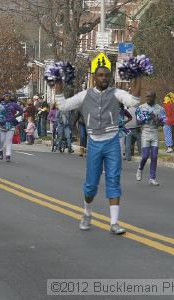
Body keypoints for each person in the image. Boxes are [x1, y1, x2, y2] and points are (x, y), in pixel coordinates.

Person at [53, 66, 141, 235]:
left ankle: (114, 223)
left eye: (107, 76)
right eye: (100, 75)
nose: (104, 78)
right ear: (94, 78)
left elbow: (134, 101)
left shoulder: (116, 93)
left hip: (112, 142)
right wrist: (58, 81)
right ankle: (87, 213)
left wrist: (138, 76)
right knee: (91, 185)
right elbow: (63, 105)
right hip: (94, 143)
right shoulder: (85, 95)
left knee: (113, 180)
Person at [135, 91, 166, 186]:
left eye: (150, 97)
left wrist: (157, 119)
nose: (148, 98)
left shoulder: (160, 108)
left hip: (155, 132)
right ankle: (140, 169)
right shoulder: (141, 107)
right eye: (147, 96)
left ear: (154, 97)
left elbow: (164, 122)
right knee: (144, 156)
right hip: (145, 132)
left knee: (154, 156)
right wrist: (148, 117)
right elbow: (138, 122)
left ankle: (152, 178)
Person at [0, 94, 24, 162]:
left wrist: (15, 116)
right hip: (2, 124)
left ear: (10, 98)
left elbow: (21, 111)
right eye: (5, 96)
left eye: (8, 96)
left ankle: (8, 155)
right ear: (3, 97)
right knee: (1, 140)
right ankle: (0, 151)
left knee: (9, 140)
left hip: (11, 124)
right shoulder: (0, 104)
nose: (7, 97)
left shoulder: (14, 104)